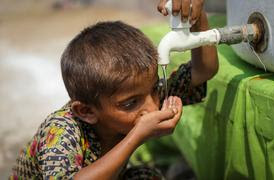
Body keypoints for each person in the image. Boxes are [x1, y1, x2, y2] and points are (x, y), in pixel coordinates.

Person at [10, 0, 217, 179]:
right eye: (129, 104)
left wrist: (196, 18)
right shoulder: (61, 131)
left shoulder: (142, 95)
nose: (153, 107)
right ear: (87, 111)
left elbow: (203, 70)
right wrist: (137, 136)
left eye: (155, 90)